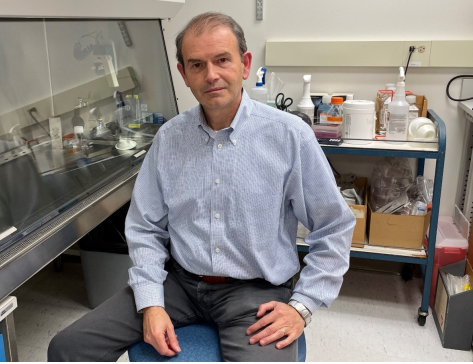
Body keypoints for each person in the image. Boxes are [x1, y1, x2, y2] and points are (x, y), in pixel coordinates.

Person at [48, 11, 355, 362]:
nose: (211, 75)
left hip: (255, 292)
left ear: (245, 63)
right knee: (67, 348)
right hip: (178, 283)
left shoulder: (289, 136)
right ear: (183, 74)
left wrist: (302, 306)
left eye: (222, 60)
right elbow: (145, 227)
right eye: (197, 65)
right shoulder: (169, 139)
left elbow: (334, 227)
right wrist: (150, 301)